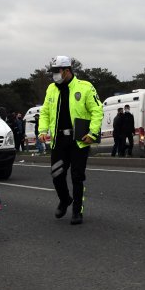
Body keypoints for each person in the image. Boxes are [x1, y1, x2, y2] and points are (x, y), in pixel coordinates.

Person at [37, 56, 103, 225]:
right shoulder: (51, 89)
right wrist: (42, 131)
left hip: (79, 140)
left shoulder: (85, 87)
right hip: (58, 139)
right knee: (56, 174)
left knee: (77, 176)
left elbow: (97, 110)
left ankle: (77, 211)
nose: (54, 75)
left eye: (56, 71)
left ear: (67, 70)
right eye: (52, 71)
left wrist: (92, 133)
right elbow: (44, 112)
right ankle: (65, 199)